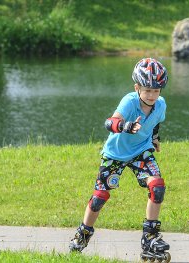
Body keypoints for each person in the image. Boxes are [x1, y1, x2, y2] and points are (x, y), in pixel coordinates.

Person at [69, 58, 172, 262]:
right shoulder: (129, 101)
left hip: (141, 151)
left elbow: (156, 123)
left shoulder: (160, 105)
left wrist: (154, 138)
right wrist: (125, 126)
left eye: (156, 90)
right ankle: (83, 234)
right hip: (115, 155)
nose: (152, 95)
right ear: (137, 87)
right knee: (99, 197)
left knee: (157, 187)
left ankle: (149, 238)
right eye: (147, 90)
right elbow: (110, 122)